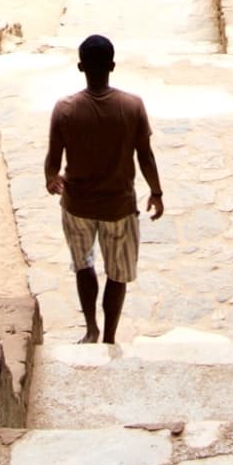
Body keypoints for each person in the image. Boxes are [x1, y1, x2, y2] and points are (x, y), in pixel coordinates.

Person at [46, 33, 164, 343]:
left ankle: (91, 329)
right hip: (119, 207)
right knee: (117, 274)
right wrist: (156, 192)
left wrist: (51, 178)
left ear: (80, 66)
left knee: (84, 267)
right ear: (112, 65)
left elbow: (53, 159)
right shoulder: (132, 106)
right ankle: (109, 336)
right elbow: (145, 155)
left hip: (77, 206)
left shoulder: (65, 109)